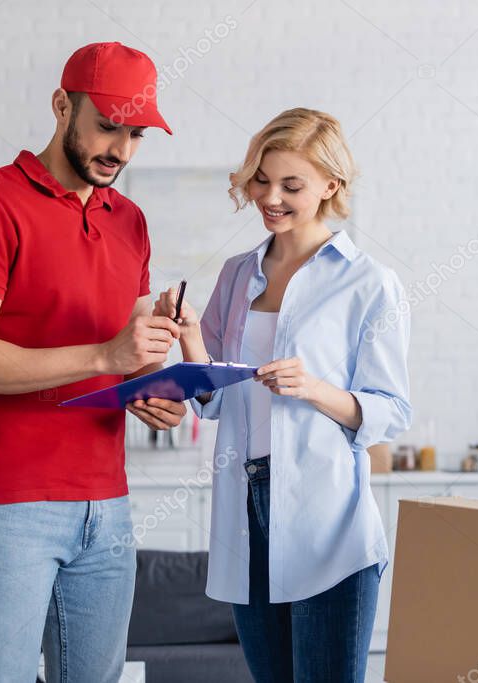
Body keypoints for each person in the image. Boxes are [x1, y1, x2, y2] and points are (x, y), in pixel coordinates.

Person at [0, 42, 185, 682]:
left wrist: (153, 389)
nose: (121, 150)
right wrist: (105, 354)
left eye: (136, 134)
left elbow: (126, 354)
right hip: (10, 505)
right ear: (61, 105)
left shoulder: (130, 221)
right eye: (106, 127)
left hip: (109, 504)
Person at [153, 107, 412, 682]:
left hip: (328, 520)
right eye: (262, 180)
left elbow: (391, 410)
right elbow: (217, 398)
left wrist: (317, 389)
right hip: (247, 509)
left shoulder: (368, 283)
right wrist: (192, 338)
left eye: (291, 185)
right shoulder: (236, 274)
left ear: (330, 186)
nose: (271, 196)